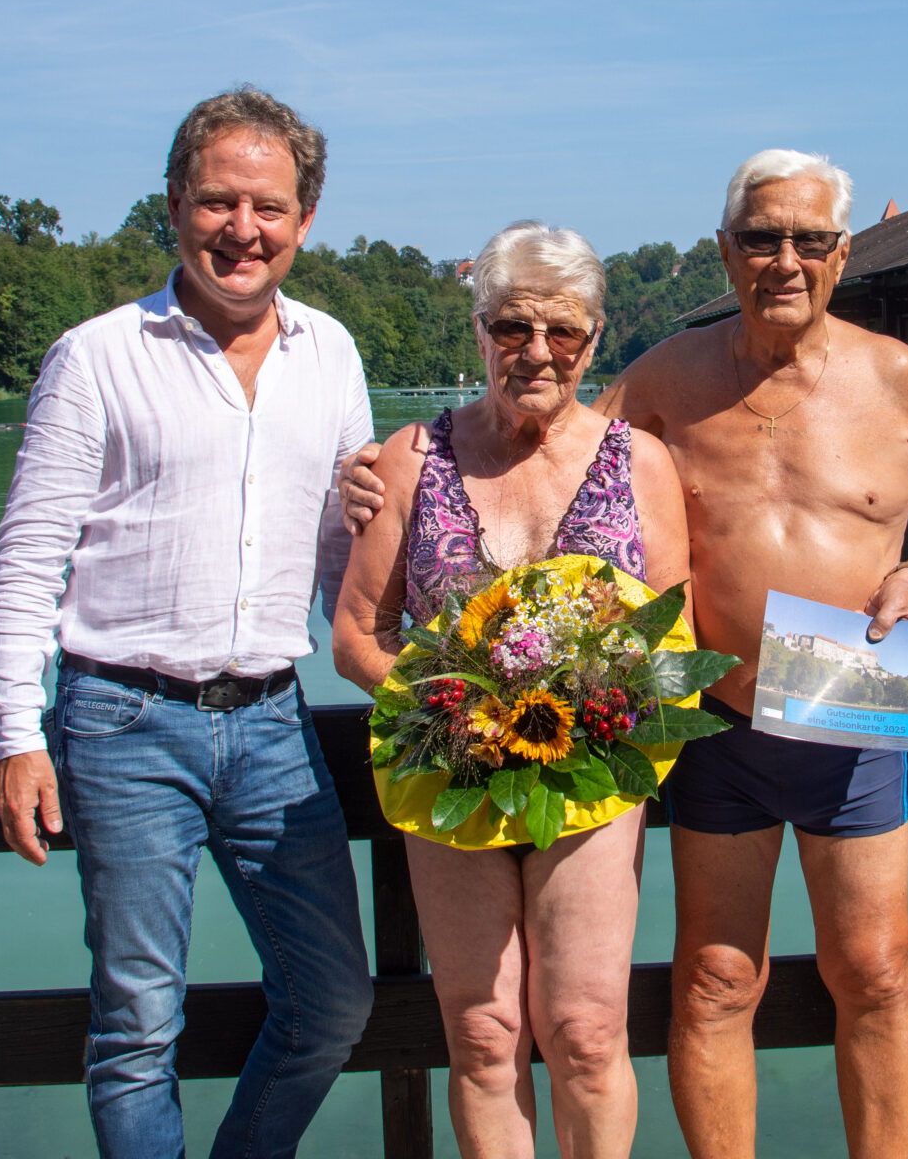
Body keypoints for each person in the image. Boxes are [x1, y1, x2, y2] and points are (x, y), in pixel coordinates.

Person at [340, 151, 908, 1156]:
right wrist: (375, 482)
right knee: (715, 978)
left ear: (843, 252)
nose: (786, 259)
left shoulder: (896, 373)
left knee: (878, 969)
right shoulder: (662, 379)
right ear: (726, 250)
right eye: (763, 237)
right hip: (718, 718)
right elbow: (543, 444)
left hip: (854, 697)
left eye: (810, 240)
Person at [0, 88, 375, 1158]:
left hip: (275, 724)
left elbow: (346, 559)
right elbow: (27, 559)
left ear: (304, 220)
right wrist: (19, 730)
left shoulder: (332, 354)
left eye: (269, 207)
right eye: (217, 201)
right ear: (174, 205)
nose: (241, 229)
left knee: (336, 1000)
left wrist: (438, 664)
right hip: (122, 720)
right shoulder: (97, 354)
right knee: (138, 1024)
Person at [330, 221, 691, 1159]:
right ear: (480, 330)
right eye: (511, 327)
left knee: (584, 1033)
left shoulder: (640, 463)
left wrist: (592, 718)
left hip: (591, 784)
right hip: (444, 768)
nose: (537, 352)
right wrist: (462, 710)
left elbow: (674, 643)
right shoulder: (411, 459)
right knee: (484, 1039)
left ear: (596, 338)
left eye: (562, 332)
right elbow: (357, 636)